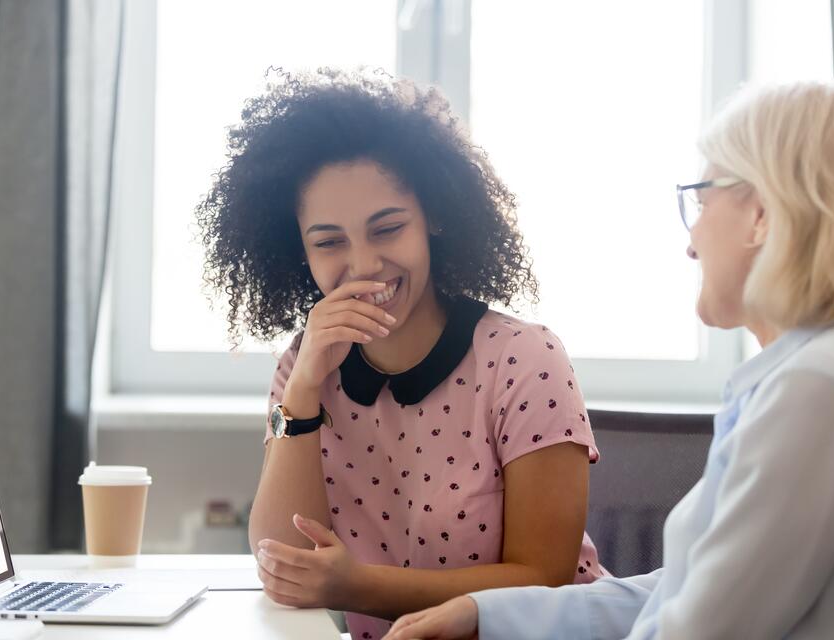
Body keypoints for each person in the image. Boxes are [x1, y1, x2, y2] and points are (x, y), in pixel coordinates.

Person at [383, 79, 834, 640]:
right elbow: (682, 593)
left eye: (702, 198)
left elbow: (702, 629)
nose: (691, 242)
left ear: (761, 213)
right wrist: (485, 612)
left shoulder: (820, 387)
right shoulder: (821, 373)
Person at [195, 68, 607, 640]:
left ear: (433, 216)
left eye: (387, 229)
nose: (363, 265)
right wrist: (304, 389)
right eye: (329, 241)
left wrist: (355, 586)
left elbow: (545, 579)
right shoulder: (304, 365)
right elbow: (286, 566)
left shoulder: (525, 359)